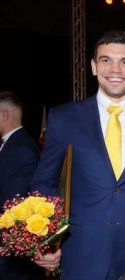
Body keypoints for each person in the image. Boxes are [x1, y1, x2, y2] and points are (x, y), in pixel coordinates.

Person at [31, 30, 125, 279]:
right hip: (80, 253)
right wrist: (47, 240)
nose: (115, 69)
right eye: (106, 60)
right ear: (93, 66)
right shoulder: (64, 118)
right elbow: (43, 183)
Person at [0, 91, 42, 279]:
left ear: (4, 115)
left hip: (10, 251)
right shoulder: (13, 145)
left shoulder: (20, 149)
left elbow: (13, 203)